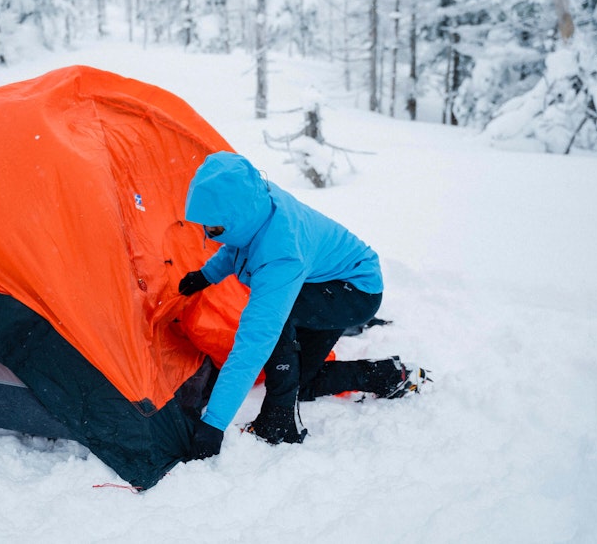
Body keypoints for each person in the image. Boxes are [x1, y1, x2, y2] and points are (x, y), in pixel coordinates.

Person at [179, 151, 428, 461]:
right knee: (301, 381)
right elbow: (241, 241)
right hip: (325, 281)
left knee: (273, 324)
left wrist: (214, 424)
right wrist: (207, 275)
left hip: (355, 290)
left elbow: (255, 340)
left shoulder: (281, 252)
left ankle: (279, 421)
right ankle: (387, 375)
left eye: (214, 229)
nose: (207, 234)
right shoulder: (257, 202)